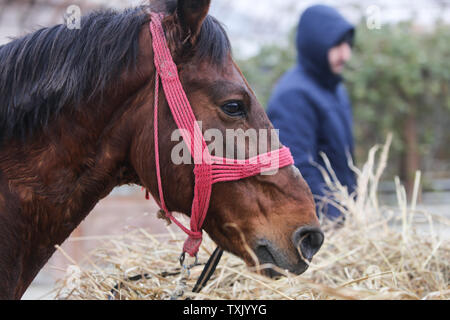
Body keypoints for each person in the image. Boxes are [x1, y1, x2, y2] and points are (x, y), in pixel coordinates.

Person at [267, 4, 356, 221]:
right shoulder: (294, 95)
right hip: (316, 225)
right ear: (315, 44)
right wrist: (333, 221)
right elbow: (297, 170)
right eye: (336, 44)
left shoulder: (334, 89)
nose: (346, 54)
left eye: (347, 44)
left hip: (343, 217)